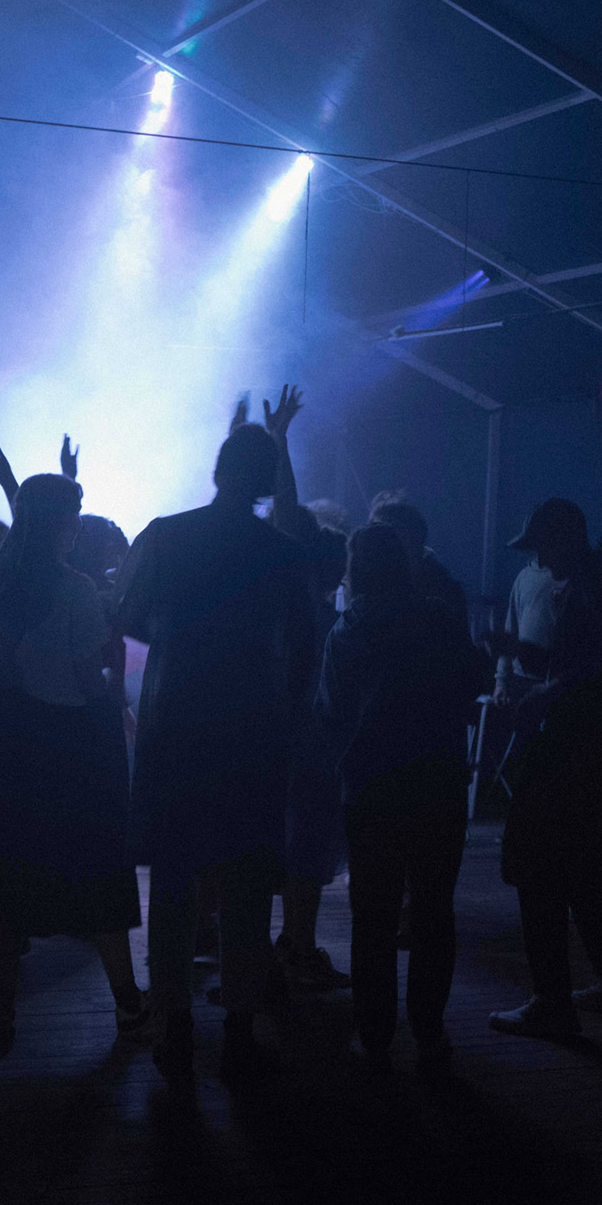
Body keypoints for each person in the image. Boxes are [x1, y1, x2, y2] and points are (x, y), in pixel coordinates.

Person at [116, 422, 317, 1085]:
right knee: (247, 885)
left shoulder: (166, 535)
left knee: (174, 883)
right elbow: (306, 644)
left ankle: (173, 1026)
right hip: (252, 731)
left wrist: (180, 637)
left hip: (177, 725)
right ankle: (238, 1028)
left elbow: (128, 615)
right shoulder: (282, 552)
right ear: (267, 482)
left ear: (218, 469)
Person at [0, 472, 148, 1046]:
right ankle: (128, 1004)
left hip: (10, 745)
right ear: (64, 524)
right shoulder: (74, 588)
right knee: (98, 876)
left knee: (10, 880)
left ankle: (1, 1009)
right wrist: (112, 682)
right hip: (72, 746)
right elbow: (86, 677)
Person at [319, 523, 481, 1077]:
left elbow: (330, 713)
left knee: (373, 917)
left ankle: (375, 1035)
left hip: (372, 786)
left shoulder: (348, 630)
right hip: (437, 779)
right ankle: (429, 1030)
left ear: (355, 570)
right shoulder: (438, 617)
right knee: (434, 910)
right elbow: (470, 682)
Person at [484, 498, 602, 1039]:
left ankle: (552, 1001)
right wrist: (518, 650)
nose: (538, 560)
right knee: (581, 874)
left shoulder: (592, 588)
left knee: (538, 870)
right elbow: (578, 664)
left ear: (563, 539)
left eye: (542, 547)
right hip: (592, 748)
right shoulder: (590, 583)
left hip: (573, 750)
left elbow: (595, 671)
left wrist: (542, 697)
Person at [263, 386, 352, 994]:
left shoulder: (288, 611)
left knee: (285, 849)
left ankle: (281, 948)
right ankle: (295, 945)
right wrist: (280, 440)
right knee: (307, 851)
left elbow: (288, 518)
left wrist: (278, 440)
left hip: (276, 740)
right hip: (309, 748)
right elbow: (291, 518)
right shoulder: (323, 619)